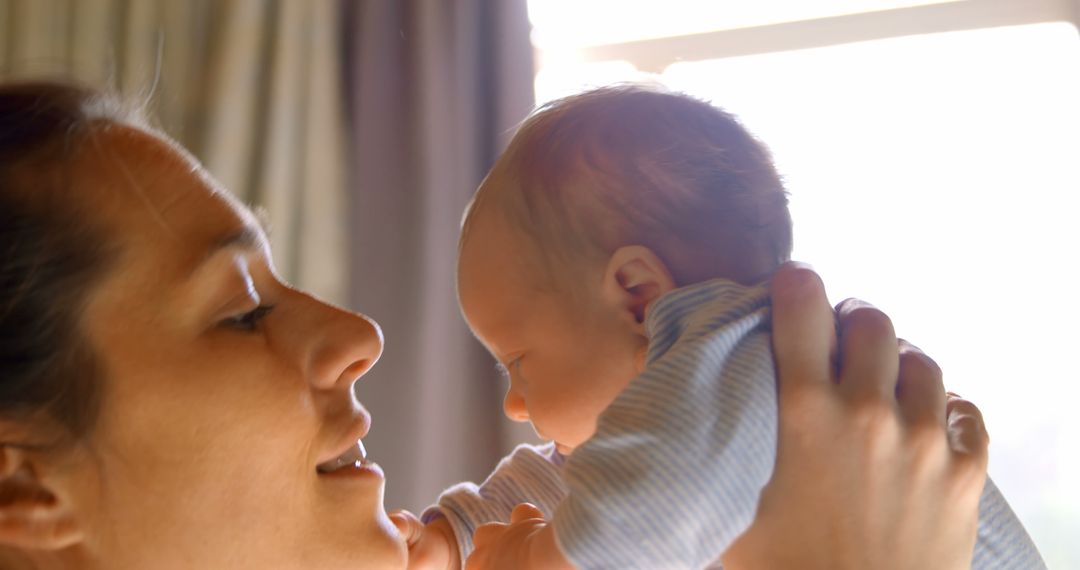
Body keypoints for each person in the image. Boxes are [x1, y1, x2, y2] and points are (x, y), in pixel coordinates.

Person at [0, 80, 994, 570]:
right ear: (23, 480)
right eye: (241, 313)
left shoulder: (731, 366)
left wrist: (459, 533)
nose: (358, 332)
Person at [395, 85, 1044, 570]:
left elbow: (641, 510)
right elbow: (580, 478)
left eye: (518, 360)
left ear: (637, 296)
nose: (512, 400)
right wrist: (454, 534)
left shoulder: (738, 361)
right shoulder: (705, 402)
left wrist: (532, 561)